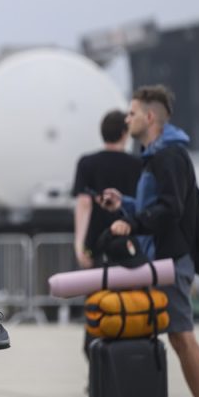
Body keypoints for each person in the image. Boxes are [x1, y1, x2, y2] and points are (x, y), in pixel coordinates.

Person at [98, 84, 199, 397]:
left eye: (132, 113)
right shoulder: (158, 155)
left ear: (149, 117)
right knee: (178, 335)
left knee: (182, 336)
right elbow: (156, 205)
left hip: (173, 259)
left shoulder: (168, 156)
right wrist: (123, 204)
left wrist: (132, 223)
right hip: (164, 257)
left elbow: (171, 208)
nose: (127, 119)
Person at [71, 110, 142, 358]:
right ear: (125, 133)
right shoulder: (139, 164)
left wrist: (80, 245)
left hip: (97, 246)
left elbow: (84, 204)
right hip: (130, 246)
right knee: (129, 305)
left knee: (97, 305)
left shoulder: (87, 163)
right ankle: (125, 360)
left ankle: (96, 364)